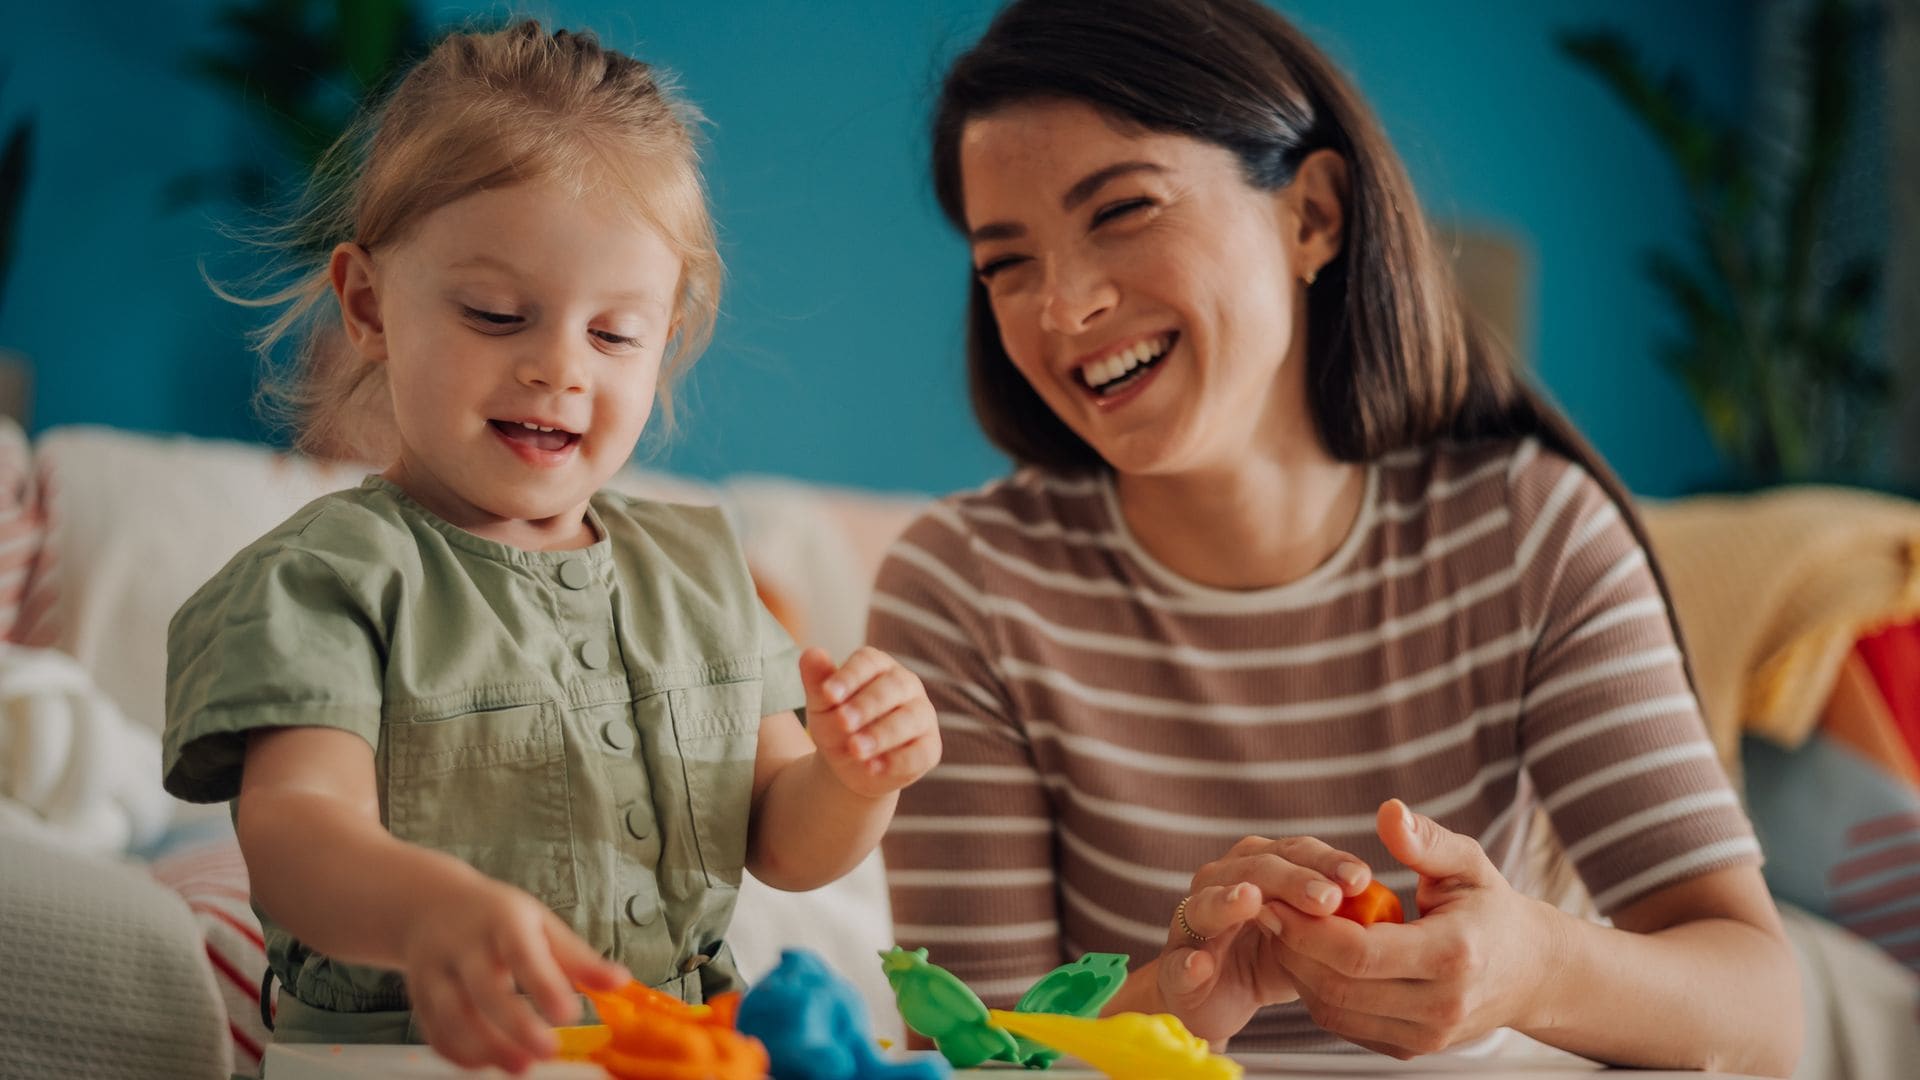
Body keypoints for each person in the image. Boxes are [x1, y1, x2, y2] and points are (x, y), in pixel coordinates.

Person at [872, 0, 1799, 1074]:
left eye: (1122, 209)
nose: (1064, 306)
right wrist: (1193, 995)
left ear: (1313, 213)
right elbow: (977, 1057)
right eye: (1006, 263)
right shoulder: (962, 589)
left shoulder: (1525, 532)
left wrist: (1533, 969)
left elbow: (1762, 1011)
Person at [161, 22, 941, 1074]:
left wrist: (857, 780)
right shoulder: (328, 579)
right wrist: (424, 911)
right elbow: (298, 834)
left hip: (667, 1050)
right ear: (367, 304)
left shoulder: (702, 568)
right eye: (496, 314)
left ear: (662, 344)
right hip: (410, 1059)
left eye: (613, 333)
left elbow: (786, 843)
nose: (558, 368)